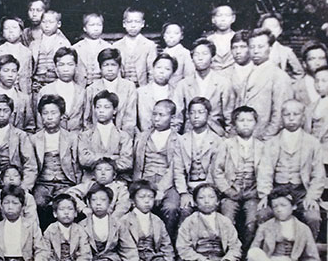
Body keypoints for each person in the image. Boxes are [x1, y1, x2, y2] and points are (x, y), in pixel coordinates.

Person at [176, 184, 280, 261]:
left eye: (211, 197)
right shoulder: (189, 222)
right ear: (195, 202)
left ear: (217, 201)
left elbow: (235, 246)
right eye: (201, 198)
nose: (206, 201)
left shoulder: (224, 221)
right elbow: (183, 248)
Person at [256, 99, 325, 239]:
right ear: (282, 117)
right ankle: (271, 252)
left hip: (302, 192)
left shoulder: (312, 143)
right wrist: (264, 194)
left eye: (296, 114)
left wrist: (312, 196)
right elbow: (265, 171)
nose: (291, 118)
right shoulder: (272, 143)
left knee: (312, 217)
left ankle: (306, 252)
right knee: (263, 214)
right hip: (277, 191)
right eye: (287, 114)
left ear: (303, 117)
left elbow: (318, 173)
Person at [213, 106, 264, 252]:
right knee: (227, 218)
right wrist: (227, 190)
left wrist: (258, 192)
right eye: (241, 120)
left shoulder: (261, 146)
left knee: (252, 220)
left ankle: (246, 253)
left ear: (255, 123)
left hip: (252, 194)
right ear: (234, 125)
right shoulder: (226, 145)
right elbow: (217, 171)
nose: (246, 124)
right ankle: (230, 251)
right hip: (231, 193)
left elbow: (266, 172)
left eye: (250, 120)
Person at [247, 190, 323, 261]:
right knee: (253, 252)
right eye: (275, 206)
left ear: (293, 207)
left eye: (283, 205)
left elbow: (312, 256)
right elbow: (254, 249)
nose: (279, 209)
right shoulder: (265, 227)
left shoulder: (303, 228)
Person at [172, 97, 223, 239]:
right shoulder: (182, 140)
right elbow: (178, 170)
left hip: (208, 189)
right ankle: (181, 253)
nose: (196, 116)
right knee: (184, 210)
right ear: (188, 115)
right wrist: (183, 193)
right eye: (192, 112)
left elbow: (216, 171)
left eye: (200, 112)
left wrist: (205, 193)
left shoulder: (217, 141)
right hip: (188, 188)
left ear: (208, 115)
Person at [120, 180, 182, 261]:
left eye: (151, 197)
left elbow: (166, 244)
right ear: (133, 201)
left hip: (153, 254)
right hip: (137, 257)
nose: (147, 201)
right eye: (142, 197)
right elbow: (126, 248)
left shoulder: (157, 220)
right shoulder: (125, 221)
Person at [80, 184, 138, 261]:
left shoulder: (117, 223)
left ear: (110, 202)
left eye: (103, 200)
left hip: (112, 259)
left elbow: (128, 247)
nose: (98, 203)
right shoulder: (82, 225)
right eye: (94, 200)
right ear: (88, 202)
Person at [133, 100, 182, 235]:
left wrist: (161, 189)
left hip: (167, 184)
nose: (157, 118)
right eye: (154, 114)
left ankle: (167, 245)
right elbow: (137, 166)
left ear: (172, 118)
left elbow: (174, 169)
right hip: (145, 181)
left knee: (171, 208)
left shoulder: (178, 139)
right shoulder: (142, 137)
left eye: (161, 115)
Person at [31, 95, 80, 225]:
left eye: (54, 113)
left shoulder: (71, 138)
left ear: (61, 115)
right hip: (43, 183)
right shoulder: (34, 139)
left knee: (66, 203)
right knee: (38, 203)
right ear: (41, 116)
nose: (50, 117)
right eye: (45, 113)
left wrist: (78, 185)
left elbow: (77, 164)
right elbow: (31, 166)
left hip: (66, 182)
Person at [172, 39, 233, 136]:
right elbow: (177, 116)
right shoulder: (183, 84)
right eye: (196, 54)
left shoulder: (223, 83)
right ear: (192, 58)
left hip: (216, 133)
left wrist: (228, 138)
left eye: (205, 54)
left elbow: (229, 116)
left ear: (212, 57)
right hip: (190, 134)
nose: (200, 58)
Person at [42, 194, 96, 261]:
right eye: (62, 209)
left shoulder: (80, 230)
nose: (66, 212)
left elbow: (85, 253)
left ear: (76, 213)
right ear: (55, 213)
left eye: (70, 209)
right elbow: (47, 253)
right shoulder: (50, 230)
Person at [242, 28, 292, 140]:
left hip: (265, 140)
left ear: (270, 48)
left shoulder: (279, 76)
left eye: (260, 47)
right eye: (252, 47)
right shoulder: (249, 73)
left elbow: (280, 115)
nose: (255, 51)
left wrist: (266, 137)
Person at [78, 90, 133, 179]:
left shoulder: (124, 136)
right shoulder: (85, 135)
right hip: (91, 179)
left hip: (117, 180)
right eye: (98, 107)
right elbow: (84, 160)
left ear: (114, 110)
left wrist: (96, 157)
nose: (101, 111)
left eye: (106, 107)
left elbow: (127, 162)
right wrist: (114, 158)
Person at [85, 48, 137, 136]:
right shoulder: (92, 88)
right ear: (100, 67)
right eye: (105, 65)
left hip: (122, 137)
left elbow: (130, 118)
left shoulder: (129, 87)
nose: (110, 69)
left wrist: (124, 139)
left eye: (113, 65)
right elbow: (87, 119)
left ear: (119, 67)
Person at [34, 47, 86, 132]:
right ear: (55, 67)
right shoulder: (45, 91)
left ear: (76, 66)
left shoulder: (83, 92)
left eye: (70, 64)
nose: (66, 69)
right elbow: (40, 123)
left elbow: (86, 122)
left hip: (77, 140)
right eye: (61, 65)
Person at [0, 54, 33, 131]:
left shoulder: (24, 99)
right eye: (6, 71)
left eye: (14, 71)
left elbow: (30, 127)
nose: (10, 75)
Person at [65, 157, 131, 221]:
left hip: (113, 219)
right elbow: (70, 193)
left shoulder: (120, 188)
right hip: (90, 220)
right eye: (99, 169)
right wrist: (83, 208)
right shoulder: (89, 185)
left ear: (114, 175)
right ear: (94, 174)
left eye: (107, 170)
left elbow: (123, 205)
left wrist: (113, 218)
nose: (103, 173)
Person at [0, 165, 38, 234]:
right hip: (1, 229)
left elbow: (32, 219)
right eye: (7, 176)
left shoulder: (28, 197)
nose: (11, 178)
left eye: (15, 176)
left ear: (21, 180)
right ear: (2, 181)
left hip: (21, 229)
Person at [29, 10, 72, 94]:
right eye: (44, 22)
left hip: (56, 84)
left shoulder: (64, 43)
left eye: (51, 22)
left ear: (58, 24)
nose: (47, 25)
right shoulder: (34, 44)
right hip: (37, 85)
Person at [111, 7, 157, 88]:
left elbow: (152, 72)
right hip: (122, 88)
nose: (133, 25)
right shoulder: (116, 46)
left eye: (137, 22)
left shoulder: (149, 45)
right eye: (129, 22)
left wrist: (149, 90)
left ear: (142, 23)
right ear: (124, 24)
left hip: (142, 88)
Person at [293, 41, 328, 106]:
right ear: (304, 64)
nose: (317, 63)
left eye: (321, 58)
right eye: (312, 59)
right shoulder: (295, 88)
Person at [258, 12, 305, 80]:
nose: (271, 30)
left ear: (280, 30)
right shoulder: (252, 49)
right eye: (266, 27)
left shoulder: (286, 51)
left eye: (274, 27)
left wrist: (288, 83)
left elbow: (300, 73)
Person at [136, 54, 177, 132]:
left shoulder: (177, 93)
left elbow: (178, 120)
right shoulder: (140, 93)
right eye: (159, 67)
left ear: (173, 72)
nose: (161, 71)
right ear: (153, 69)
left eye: (167, 69)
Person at [0, 16, 33, 95]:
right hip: (2, 92)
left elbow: (28, 76)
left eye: (14, 27)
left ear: (21, 31)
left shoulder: (27, 52)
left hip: (22, 92)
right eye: (6, 28)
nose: (10, 31)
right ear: (2, 33)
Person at [72, 12, 113, 86]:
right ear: (84, 28)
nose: (96, 28)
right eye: (92, 25)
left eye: (99, 25)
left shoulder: (108, 47)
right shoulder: (76, 48)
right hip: (81, 87)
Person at [160, 22, 194, 86]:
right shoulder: (162, 53)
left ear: (181, 36)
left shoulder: (185, 53)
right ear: (164, 36)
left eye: (176, 33)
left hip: (177, 89)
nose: (171, 36)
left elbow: (189, 75)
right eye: (168, 33)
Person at [206, 5, 236, 71]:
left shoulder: (238, 38)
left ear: (233, 18)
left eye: (227, 15)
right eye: (219, 15)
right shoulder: (208, 40)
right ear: (213, 19)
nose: (223, 19)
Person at [228, 30, 254, 108]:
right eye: (234, 47)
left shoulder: (260, 72)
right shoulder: (224, 74)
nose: (238, 51)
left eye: (243, 47)